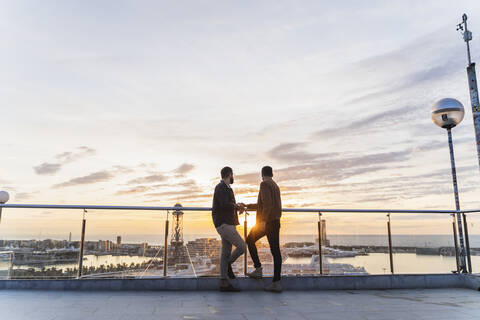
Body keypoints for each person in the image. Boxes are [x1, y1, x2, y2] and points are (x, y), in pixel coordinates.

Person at [246, 166, 283, 292]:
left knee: (249, 240)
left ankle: (258, 269)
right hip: (276, 221)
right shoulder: (275, 185)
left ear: (262, 174)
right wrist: (248, 206)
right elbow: (265, 203)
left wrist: (262, 221)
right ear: (272, 174)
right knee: (275, 251)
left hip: (267, 223)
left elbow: (267, 204)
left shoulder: (264, 184)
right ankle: (276, 282)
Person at [212, 166, 246, 292]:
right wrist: (237, 206)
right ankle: (227, 266)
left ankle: (224, 283)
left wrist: (237, 207)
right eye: (232, 175)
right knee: (242, 247)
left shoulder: (227, 188)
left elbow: (228, 204)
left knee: (226, 252)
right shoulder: (220, 187)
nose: (233, 177)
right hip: (224, 224)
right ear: (229, 174)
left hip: (227, 223)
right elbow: (224, 204)